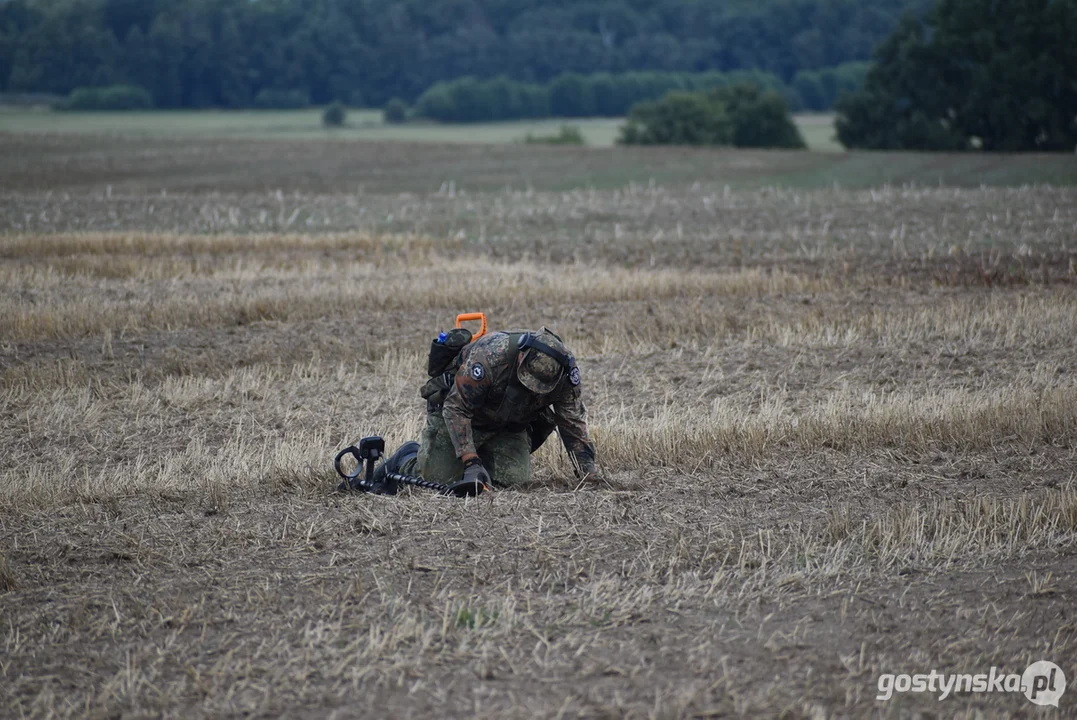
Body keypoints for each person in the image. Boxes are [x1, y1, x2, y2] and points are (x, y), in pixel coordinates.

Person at [361, 327, 597, 491]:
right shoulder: (491, 356)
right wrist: (470, 461)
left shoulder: (567, 376)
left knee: (513, 481)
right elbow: (456, 408)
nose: (532, 389)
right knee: (440, 479)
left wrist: (587, 473)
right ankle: (409, 456)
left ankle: (483, 457)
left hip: (507, 423)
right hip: (460, 415)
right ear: (522, 357)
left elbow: (572, 423)